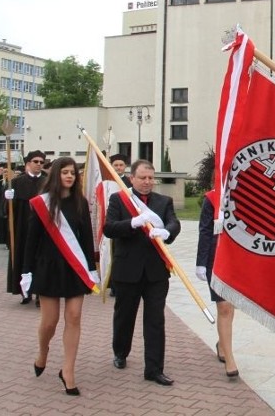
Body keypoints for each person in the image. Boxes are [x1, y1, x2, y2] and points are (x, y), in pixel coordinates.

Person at [21, 157, 98, 396]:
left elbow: (86, 238)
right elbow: (30, 241)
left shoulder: (80, 203)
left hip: (74, 268)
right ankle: (42, 353)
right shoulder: (43, 204)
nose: (69, 176)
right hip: (48, 267)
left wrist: (91, 268)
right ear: (56, 175)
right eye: (65, 172)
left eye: (73, 173)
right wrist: (26, 271)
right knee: (50, 322)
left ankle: (68, 371)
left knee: (74, 317)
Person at [104, 159, 180, 386]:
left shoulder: (163, 201)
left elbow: (174, 222)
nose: (147, 182)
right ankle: (120, 351)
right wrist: (134, 222)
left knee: (155, 320)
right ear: (131, 178)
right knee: (124, 315)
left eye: (150, 178)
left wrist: (167, 232)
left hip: (156, 271)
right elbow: (109, 228)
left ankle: (154, 368)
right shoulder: (120, 199)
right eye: (142, 178)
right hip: (128, 269)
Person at [196, 179, 239, 379]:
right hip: (217, 260)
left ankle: (223, 343)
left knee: (230, 307)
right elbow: (204, 232)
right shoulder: (211, 199)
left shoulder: (245, 196)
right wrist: (201, 263)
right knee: (224, 307)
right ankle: (229, 359)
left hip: (238, 260)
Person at [6, 151, 48, 304]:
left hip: (42, 229)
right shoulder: (16, 183)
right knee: (23, 258)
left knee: (40, 260)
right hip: (22, 228)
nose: (38, 164)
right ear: (28, 163)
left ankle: (39, 292)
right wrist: (8, 200)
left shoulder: (47, 182)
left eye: (41, 162)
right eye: (35, 161)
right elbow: (8, 212)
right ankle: (25, 292)